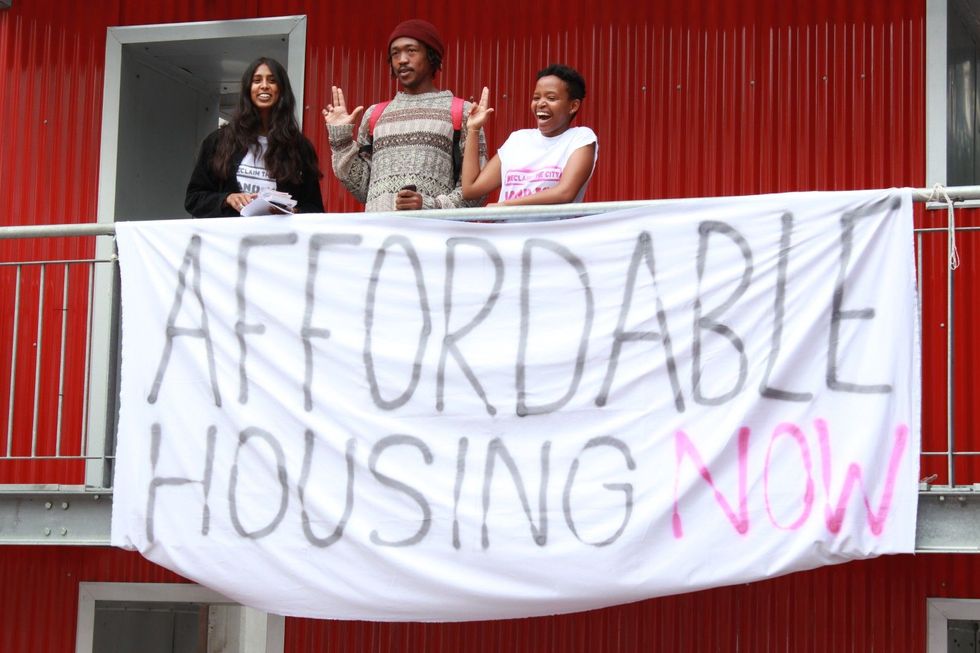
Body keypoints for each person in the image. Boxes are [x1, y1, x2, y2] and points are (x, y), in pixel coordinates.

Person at [323, 19, 487, 212]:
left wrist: (429, 205)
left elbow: (477, 191)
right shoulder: (374, 115)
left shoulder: (464, 113)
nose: (402, 59)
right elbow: (362, 189)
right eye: (395, 53)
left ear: (431, 55)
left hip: (431, 238)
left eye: (411, 50)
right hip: (378, 237)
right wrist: (341, 140)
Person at [185, 57, 324, 218]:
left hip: (278, 241)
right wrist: (227, 199)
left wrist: (293, 212)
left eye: (272, 81)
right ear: (248, 90)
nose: (264, 85)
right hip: (230, 242)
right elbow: (193, 200)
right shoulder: (219, 141)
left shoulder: (299, 148)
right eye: (257, 80)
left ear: (282, 90)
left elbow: (315, 209)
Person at [461, 64, 597, 205]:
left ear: (573, 106)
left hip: (553, 228)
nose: (541, 103)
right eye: (536, 98)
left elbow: (565, 193)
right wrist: (473, 130)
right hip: (508, 228)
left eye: (551, 98)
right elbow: (471, 189)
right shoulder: (518, 140)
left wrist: (506, 206)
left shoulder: (580, 138)